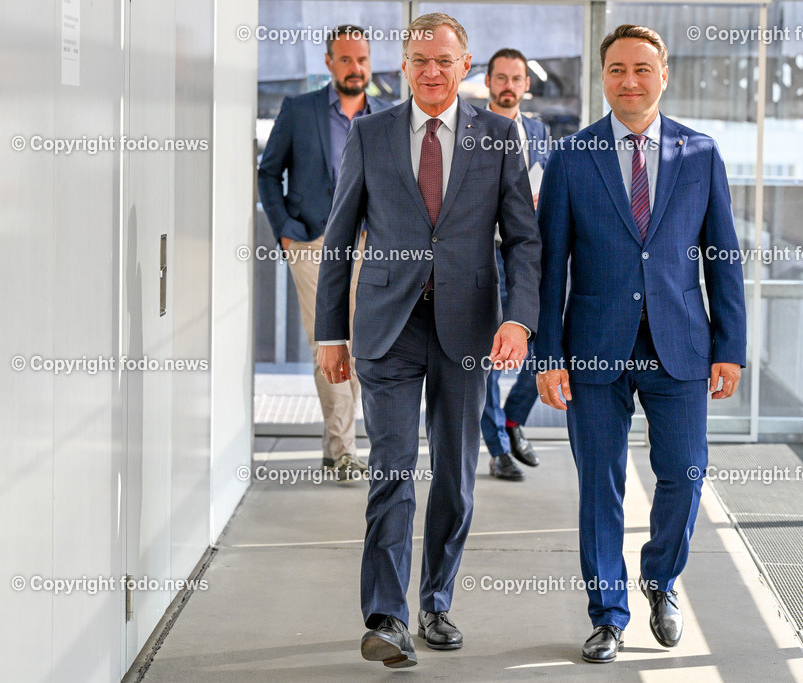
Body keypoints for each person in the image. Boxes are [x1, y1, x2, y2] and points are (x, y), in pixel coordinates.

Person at [314, 13, 541, 668]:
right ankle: (387, 615)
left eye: (444, 60)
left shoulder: (499, 137)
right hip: (388, 324)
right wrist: (332, 330)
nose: (432, 70)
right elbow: (338, 238)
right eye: (419, 59)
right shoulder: (371, 132)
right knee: (392, 467)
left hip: (469, 327)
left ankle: (436, 598)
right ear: (403, 66)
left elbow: (524, 239)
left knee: (454, 474)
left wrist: (518, 319)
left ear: (463, 66)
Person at [534, 24, 747, 664]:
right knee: (600, 486)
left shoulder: (700, 153)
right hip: (595, 346)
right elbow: (551, 267)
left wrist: (729, 346)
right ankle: (607, 615)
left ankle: (660, 580)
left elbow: (723, 258)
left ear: (662, 75)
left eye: (642, 70)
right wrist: (548, 357)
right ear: (604, 77)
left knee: (683, 476)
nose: (630, 81)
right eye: (618, 69)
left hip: (681, 345)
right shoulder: (573, 156)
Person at [258, 25, 392, 479]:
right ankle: (344, 451)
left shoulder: (387, 116)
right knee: (329, 341)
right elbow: (268, 172)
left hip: (370, 246)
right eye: (346, 60)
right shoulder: (300, 110)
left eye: (363, 60)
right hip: (313, 243)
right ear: (329, 63)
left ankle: (337, 446)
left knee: (362, 345)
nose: (356, 68)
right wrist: (286, 232)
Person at [481, 48, 551, 481]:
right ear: (488, 82)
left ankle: (512, 417)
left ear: (526, 85)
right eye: (501, 78)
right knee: (485, 354)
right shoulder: (474, 129)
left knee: (544, 342)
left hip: (527, 254)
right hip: (484, 255)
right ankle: (498, 446)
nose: (509, 86)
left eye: (516, 78)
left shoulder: (539, 131)